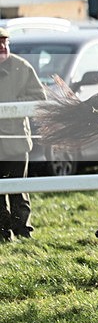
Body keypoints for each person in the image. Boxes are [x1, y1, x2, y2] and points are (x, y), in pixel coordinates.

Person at [0, 28, 48, 242]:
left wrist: (11, 107)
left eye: (5, 42)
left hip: (16, 141)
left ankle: (23, 231)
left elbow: (39, 97)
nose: (2, 47)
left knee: (19, 189)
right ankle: (3, 233)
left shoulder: (22, 67)